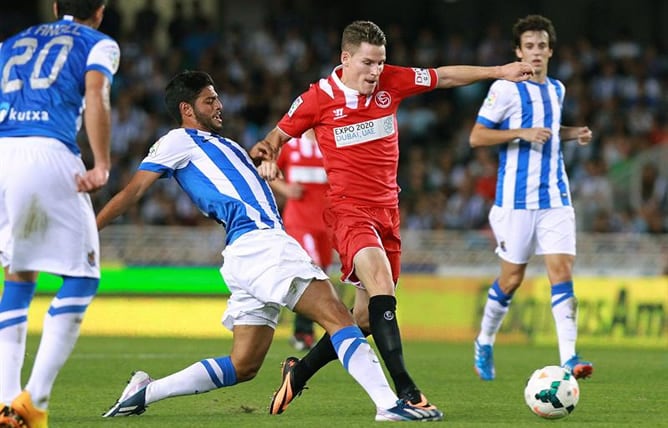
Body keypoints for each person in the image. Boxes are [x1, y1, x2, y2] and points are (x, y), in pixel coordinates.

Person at [98, 70, 443, 422]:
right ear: (187, 109)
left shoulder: (228, 145)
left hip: (247, 253)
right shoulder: (177, 141)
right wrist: (92, 229)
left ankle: (146, 391)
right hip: (260, 245)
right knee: (340, 318)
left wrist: (268, 166)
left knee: (243, 364)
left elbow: (246, 182)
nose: (219, 105)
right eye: (209, 100)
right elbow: (134, 191)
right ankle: (389, 403)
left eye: (217, 97)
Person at [257, 20, 534, 416]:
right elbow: (273, 139)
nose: (375, 72)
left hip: (388, 211)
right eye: (368, 63)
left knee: (364, 321)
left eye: (380, 63)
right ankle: (407, 392)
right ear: (346, 58)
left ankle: (297, 374)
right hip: (349, 211)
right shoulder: (318, 98)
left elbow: (443, 77)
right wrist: (268, 159)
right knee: (382, 282)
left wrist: (498, 72)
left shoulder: (392, 81)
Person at [0, 1, 120, 427]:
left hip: (4, 151)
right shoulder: (98, 43)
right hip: (45, 151)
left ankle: (5, 400)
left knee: (19, 273)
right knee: (83, 275)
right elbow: (95, 92)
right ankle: (34, 404)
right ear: (100, 11)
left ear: (55, 6)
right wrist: (101, 163)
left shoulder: (13, 42)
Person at [469, 14, 594, 381]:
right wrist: (521, 133)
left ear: (550, 51)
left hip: (555, 196)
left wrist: (574, 134)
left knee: (561, 270)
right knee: (511, 279)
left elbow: (550, 131)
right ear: (518, 51)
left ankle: (570, 358)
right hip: (515, 201)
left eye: (542, 46)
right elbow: (477, 136)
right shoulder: (505, 89)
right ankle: (485, 340)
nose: (536, 52)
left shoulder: (557, 89)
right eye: (529, 47)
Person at [269, 129, 332, 351]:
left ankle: (302, 330)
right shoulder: (291, 146)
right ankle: (304, 332)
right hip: (300, 221)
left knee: (320, 271)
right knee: (311, 268)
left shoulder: (331, 143)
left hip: (328, 222)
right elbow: (266, 168)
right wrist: (285, 189)